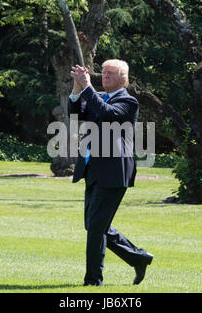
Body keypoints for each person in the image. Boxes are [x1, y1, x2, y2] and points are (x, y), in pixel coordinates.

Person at [69, 59, 153, 286]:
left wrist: (87, 88)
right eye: (103, 73)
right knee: (95, 225)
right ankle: (138, 257)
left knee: (96, 227)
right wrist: (77, 91)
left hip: (115, 172)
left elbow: (106, 114)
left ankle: (93, 281)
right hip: (93, 169)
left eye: (110, 74)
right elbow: (76, 116)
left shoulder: (129, 102)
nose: (104, 76)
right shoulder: (96, 96)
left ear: (123, 79)